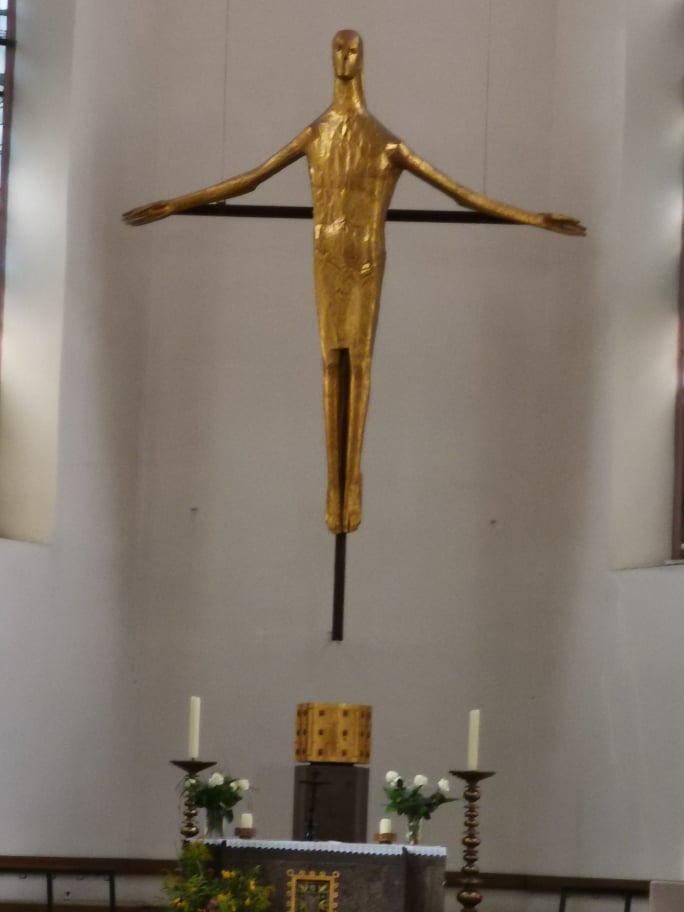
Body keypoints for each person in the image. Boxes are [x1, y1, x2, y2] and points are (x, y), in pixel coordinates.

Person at [124, 29, 585, 534]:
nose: (344, 57)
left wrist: (533, 218)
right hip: (327, 257)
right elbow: (251, 179)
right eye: (338, 50)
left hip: (365, 260)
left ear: (362, 59)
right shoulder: (316, 134)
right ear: (331, 58)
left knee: (359, 364)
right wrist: (175, 204)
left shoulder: (384, 141)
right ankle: (333, 484)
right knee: (330, 362)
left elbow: (459, 193)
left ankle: (352, 480)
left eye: (352, 50)